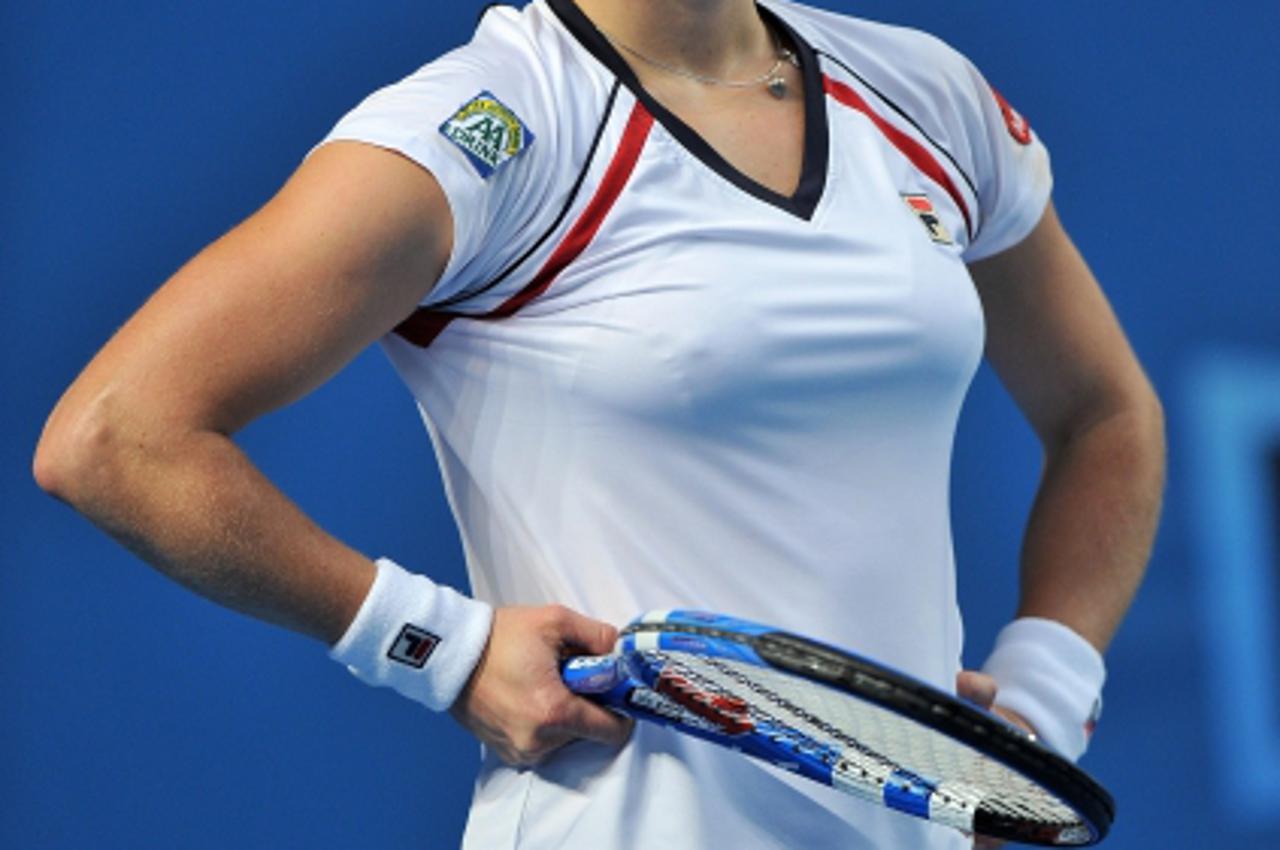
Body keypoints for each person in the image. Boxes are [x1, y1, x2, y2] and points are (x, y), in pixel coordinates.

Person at [33, 0, 1165, 847]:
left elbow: (1103, 413)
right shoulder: (491, 124)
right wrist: (442, 647)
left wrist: (1038, 702)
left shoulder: (928, 96)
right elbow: (117, 436)